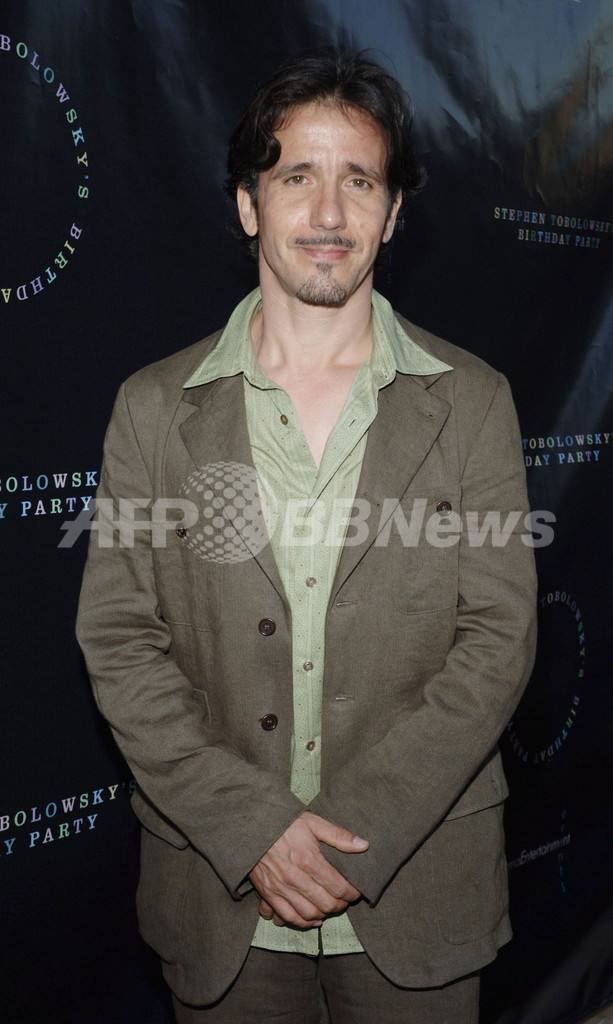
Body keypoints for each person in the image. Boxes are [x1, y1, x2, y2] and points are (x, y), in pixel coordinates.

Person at [77, 51, 537, 1024]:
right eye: (296, 177)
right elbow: (118, 639)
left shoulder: (473, 402)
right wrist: (251, 828)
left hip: (418, 892)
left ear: (392, 212)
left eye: (358, 180)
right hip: (220, 903)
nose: (328, 212)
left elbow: (497, 640)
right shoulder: (153, 408)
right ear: (249, 204)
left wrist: (351, 833)